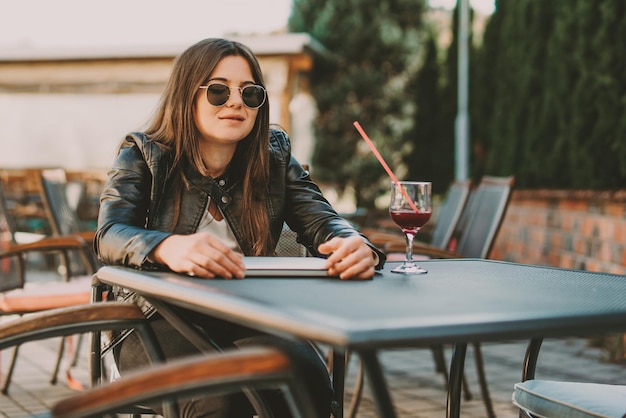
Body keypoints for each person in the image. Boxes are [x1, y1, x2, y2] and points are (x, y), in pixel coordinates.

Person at [95, 37, 386, 418]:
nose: (235, 102)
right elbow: (109, 235)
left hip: (245, 317)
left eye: (250, 93)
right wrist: (168, 247)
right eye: (218, 91)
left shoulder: (274, 155)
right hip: (154, 320)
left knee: (307, 381)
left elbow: (323, 221)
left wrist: (353, 243)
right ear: (187, 96)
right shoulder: (144, 153)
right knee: (220, 398)